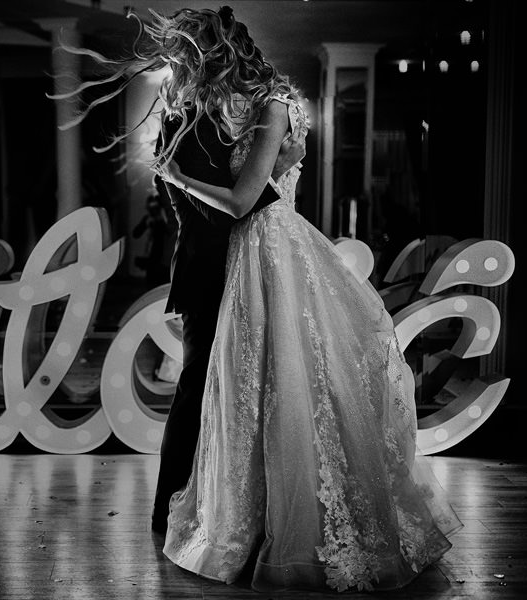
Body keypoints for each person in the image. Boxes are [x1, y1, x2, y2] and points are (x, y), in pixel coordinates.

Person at [55, 5, 461, 593]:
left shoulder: (268, 107)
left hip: (265, 253)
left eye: (191, 58)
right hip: (229, 261)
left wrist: (177, 175)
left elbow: (246, 199)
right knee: (235, 391)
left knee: (282, 385)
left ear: (219, 56)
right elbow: (228, 195)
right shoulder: (220, 111)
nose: (184, 71)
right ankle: (218, 511)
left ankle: (272, 520)